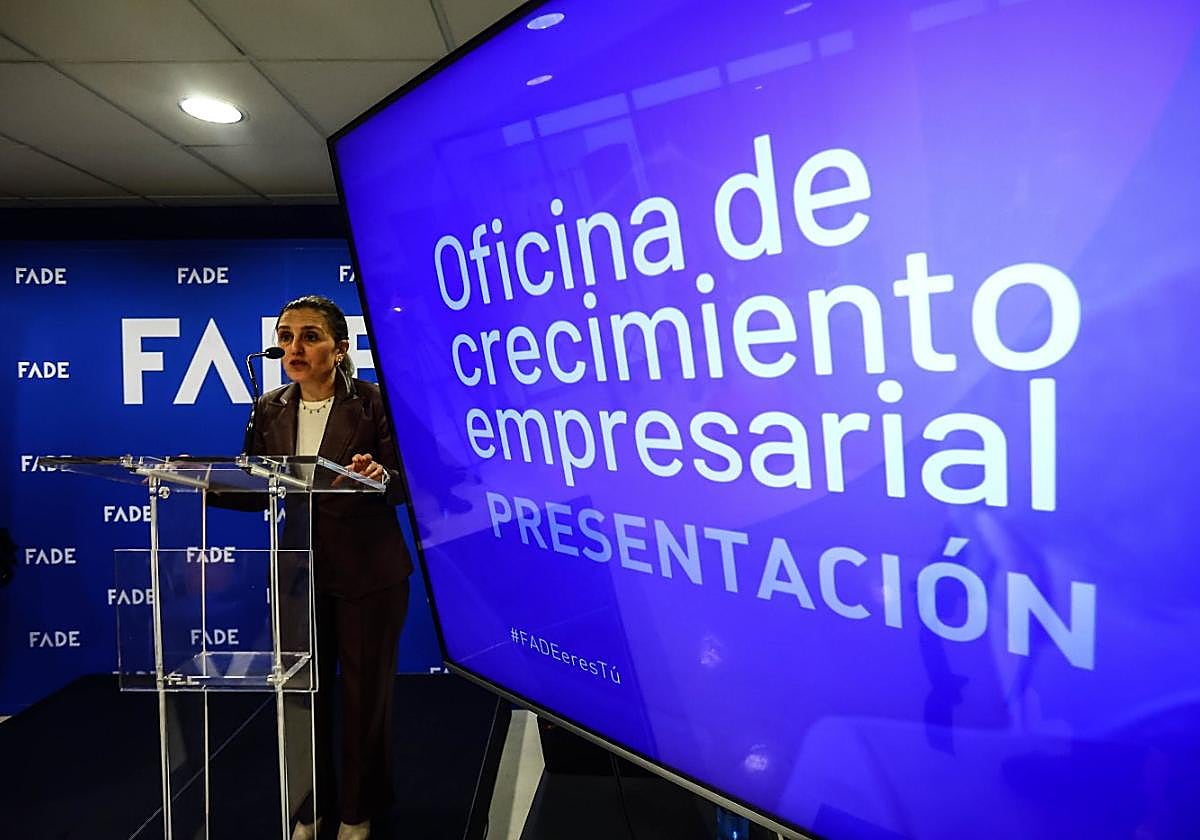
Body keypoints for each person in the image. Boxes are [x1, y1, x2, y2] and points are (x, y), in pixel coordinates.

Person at [249, 294, 411, 840]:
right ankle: (308, 808)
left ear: (339, 350)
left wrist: (380, 475)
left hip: (368, 574)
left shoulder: (373, 404)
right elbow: (253, 485)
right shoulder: (268, 407)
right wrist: (189, 476)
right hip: (297, 574)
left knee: (364, 698)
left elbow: (412, 481)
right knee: (300, 697)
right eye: (287, 335)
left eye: (310, 336)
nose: (295, 347)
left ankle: (357, 810)